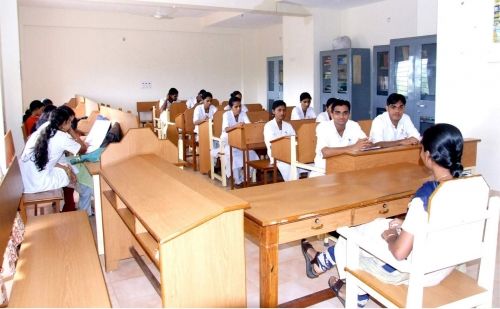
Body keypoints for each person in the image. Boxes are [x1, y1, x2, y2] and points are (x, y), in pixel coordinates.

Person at [301, 123, 465, 307]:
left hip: (411, 271)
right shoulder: (469, 188)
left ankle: (351, 291)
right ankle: (323, 264)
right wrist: (405, 223)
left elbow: (399, 253)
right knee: (378, 223)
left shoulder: (426, 196)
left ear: (427, 155)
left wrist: (392, 236)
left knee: (349, 236)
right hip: (443, 266)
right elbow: (435, 223)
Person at [20, 106, 88, 213]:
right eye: (70, 122)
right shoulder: (62, 137)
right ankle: (69, 207)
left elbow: (48, 159)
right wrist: (71, 131)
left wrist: (66, 168)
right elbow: (83, 149)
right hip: (38, 182)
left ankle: (68, 205)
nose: (71, 124)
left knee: (68, 167)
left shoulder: (45, 126)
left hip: (26, 177)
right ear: (64, 123)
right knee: (73, 171)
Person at [312, 99, 371, 175]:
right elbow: (325, 152)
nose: (341, 116)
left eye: (345, 113)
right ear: (332, 114)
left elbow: (366, 143)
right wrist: (352, 147)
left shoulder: (353, 125)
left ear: (349, 114)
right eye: (338, 113)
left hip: (348, 168)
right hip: (324, 171)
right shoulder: (323, 127)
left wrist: (365, 145)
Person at [220, 96, 258, 186]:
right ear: (231, 107)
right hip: (228, 142)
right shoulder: (226, 115)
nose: (239, 108)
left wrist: (255, 124)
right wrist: (236, 126)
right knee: (235, 157)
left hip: (241, 141)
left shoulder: (243, 114)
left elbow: (248, 125)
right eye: (236, 107)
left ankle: (245, 178)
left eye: (240, 106)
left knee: (253, 155)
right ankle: (237, 181)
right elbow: (226, 129)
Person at [263, 100, 296, 181]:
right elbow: (271, 145)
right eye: (279, 110)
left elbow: (294, 139)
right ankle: (292, 187)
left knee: (304, 164)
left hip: (289, 153)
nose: (282, 113)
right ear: (273, 111)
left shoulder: (288, 125)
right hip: (276, 155)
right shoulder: (268, 126)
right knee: (289, 166)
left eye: (284, 110)